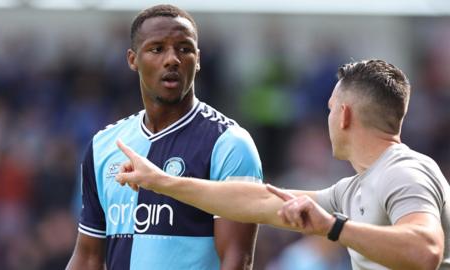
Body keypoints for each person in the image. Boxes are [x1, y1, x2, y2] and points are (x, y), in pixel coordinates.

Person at [115, 59, 450, 270]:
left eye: (331, 108)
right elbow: (258, 201)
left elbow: (426, 250)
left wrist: (332, 228)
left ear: (344, 115)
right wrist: (161, 182)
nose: (328, 117)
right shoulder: (352, 189)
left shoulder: (405, 171)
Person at [66, 4, 263, 270]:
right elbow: (88, 256)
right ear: (132, 59)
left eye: (184, 49)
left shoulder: (230, 144)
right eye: (157, 49)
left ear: (199, 58)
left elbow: (237, 260)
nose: (172, 59)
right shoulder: (104, 146)